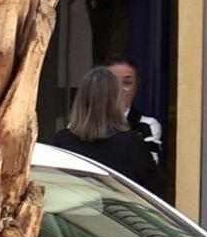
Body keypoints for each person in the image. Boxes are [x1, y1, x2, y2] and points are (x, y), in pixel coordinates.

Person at [51, 67, 167, 198]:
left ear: (80, 100)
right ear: (117, 101)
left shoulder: (62, 141)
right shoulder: (132, 144)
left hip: (71, 216)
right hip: (119, 216)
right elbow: (155, 195)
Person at [105, 54, 163, 165]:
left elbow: (147, 168)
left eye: (127, 83)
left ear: (136, 86)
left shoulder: (147, 125)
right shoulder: (83, 123)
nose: (119, 89)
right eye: (112, 82)